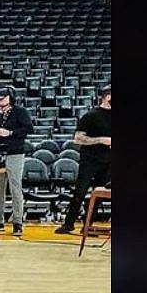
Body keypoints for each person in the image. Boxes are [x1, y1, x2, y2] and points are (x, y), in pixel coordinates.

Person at [57, 85, 111, 235]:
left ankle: (88, 224)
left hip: (108, 160)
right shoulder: (90, 115)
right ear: (107, 97)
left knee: (99, 194)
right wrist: (100, 140)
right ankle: (68, 224)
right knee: (80, 192)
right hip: (90, 160)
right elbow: (78, 138)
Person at [0, 86, 33, 236]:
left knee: (15, 188)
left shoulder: (20, 112)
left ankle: (18, 222)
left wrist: (10, 132)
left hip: (15, 153)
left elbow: (29, 129)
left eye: (2, 98)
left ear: (10, 98)